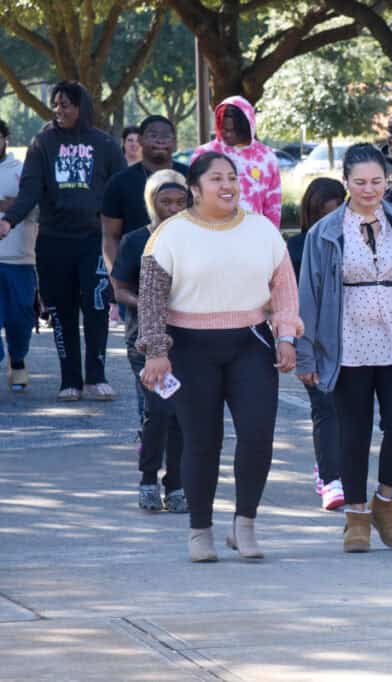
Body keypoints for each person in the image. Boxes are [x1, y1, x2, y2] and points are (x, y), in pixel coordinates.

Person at [136, 152, 301, 562]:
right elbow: (151, 299)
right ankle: (200, 530)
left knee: (259, 434)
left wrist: (285, 336)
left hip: (250, 342)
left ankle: (244, 524)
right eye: (216, 179)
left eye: (232, 177)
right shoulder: (170, 234)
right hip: (189, 347)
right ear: (195, 187)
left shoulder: (262, 230)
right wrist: (156, 351)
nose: (227, 186)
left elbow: (283, 287)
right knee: (201, 440)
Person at [296, 143, 392, 554]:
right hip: (348, 340)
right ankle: (356, 515)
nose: (369, 189)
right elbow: (309, 292)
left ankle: (386, 500)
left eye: (377, 181)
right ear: (346, 183)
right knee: (353, 429)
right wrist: (306, 352)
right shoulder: (324, 232)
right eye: (359, 182)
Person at [0, 81, 125, 401]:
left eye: (66, 104)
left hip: (93, 240)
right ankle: (69, 379)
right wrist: (8, 220)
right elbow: (30, 190)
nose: (59, 110)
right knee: (62, 310)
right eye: (56, 104)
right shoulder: (43, 143)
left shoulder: (106, 145)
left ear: (82, 107)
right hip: (54, 240)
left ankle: (96, 376)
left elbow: (120, 192)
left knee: (95, 307)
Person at [111, 169, 188, 513]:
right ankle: (147, 480)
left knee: (181, 415)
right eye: (165, 201)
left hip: (188, 341)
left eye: (180, 201)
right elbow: (119, 288)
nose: (172, 208)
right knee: (159, 411)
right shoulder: (136, 240)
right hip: (145, 342)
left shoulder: (197, 238)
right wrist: (150, 302)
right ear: (151, 203)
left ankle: (176, 484)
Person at [286, 177, 348, 510]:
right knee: (325, 407)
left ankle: (328, 462)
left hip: (352, 339)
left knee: (346, 410)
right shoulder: (295, 248)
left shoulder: (355, 243)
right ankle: (330, 479)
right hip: (312, 341)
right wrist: (295, 346)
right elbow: (285, 300)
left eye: (339, 212)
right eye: (326, 214)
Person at [102, 115, 189, 275]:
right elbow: (110, 236)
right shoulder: (119, 182)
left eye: (166, 136)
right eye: (153, 135)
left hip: (185, 270)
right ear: (141, 140)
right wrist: (117, 279)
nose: (160, 141)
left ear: (175, 141)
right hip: (136, 272)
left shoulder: (192, 177)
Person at [190, 96, 281, 227]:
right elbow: (195, 197)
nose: (228, 134)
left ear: (249, 126)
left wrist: (273, 237)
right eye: (224, 129)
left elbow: (273, 204)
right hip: (213, 231)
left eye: (235, 130)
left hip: (254, 234)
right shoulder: (204, 153)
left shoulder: (267, 156)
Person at [0, 119, 39, 391]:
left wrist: (12, 206)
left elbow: (34, 207)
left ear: (5, 138)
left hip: (20, 259)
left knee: (19, 318)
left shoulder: (23, 171)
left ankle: (17, 359)